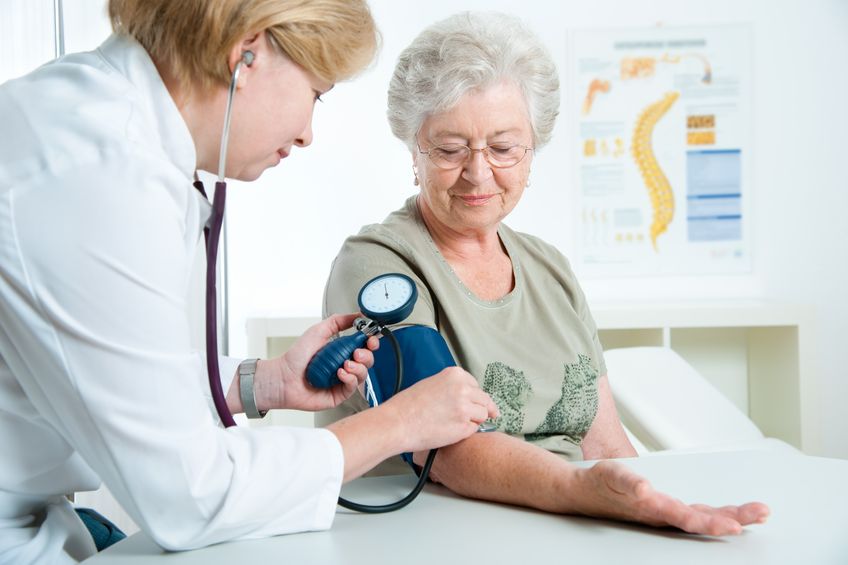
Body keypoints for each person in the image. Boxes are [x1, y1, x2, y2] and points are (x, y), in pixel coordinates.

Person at [0, 1, 499, 562]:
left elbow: (105, 367)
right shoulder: (96, 177)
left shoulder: (93, 121)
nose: (309, 133)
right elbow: (192, 497)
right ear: (247, 52)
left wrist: (261, 382)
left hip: (53, 520)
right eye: (316, 93)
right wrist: (398, 424)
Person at [321, 11, 769, 536]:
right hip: (435, 535)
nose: (478, 172)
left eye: (504, 148)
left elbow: (603, 443)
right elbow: (439, 446)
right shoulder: (378, 264)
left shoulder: (549, 269)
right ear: (413, 150)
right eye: (449, 149)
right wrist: (578, 491)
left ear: (533, 149)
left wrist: (661, 511)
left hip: (575, 526)